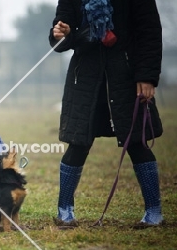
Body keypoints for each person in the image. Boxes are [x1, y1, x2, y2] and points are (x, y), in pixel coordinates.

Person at [49, 0, 164, 227]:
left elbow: (149, 32)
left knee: (137, 142)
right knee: (77, 142)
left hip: (127, 78)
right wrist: (60, 34)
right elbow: (62, 40)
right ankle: (65, 211)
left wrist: (147, 76)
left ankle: (154, 212)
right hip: (85, 79)